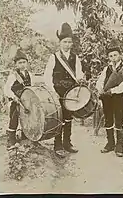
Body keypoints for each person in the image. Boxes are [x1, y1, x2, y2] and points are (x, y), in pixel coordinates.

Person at [44, 22, 85, 158]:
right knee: (59, 118)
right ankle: (58, 145)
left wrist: (80, 79)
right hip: (58, 93)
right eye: (65, 42)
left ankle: (67, 143)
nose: (67, 44)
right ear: (60, 43)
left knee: (68, 118)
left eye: (69, 42)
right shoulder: (54, 57)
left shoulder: (75, 57)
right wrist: (52, 91)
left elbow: (78, 73)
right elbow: (47, 76)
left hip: (71, 92)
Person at [96, 42, 123, 157]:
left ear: (120, 55)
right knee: (108, 120)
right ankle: (110, 144)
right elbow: (100, 81)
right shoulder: (107, 68)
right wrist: (100, 89)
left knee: (119, 121)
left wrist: (113, 91)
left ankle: (119, 146)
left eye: (115, 55)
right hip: (107, 98)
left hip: (117, 97)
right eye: (111, 56)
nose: (113, 58)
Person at [4, 49, 33, 150]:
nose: (22, 65)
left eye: (24, 62)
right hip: (16, 101)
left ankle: (25, 137)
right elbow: (7, 89)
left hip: (26, 102)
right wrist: (13, 97)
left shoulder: (29, 74)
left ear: (27, 63)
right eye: (20, 63)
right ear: (16, 64)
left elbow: (31, 88)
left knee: (27, 119)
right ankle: (11, 141)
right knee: (14, 120)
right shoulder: (13, 76)